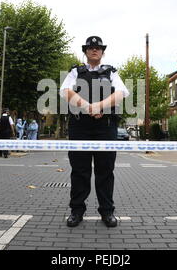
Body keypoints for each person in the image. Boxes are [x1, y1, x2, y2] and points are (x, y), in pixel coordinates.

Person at [60, 36, 129, 228]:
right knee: (79, 170)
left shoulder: (111, 72)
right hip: (79, 126)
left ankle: (107, 212)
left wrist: (99, 106)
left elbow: (121, 93)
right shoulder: (75, 71)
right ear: (86, 51)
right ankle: (76, 210)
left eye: (98, 47)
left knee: (105, 170)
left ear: (102, 52)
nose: (94, 50)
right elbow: (65, 91)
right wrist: (88, 107)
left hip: (105, 127)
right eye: (90, 47)